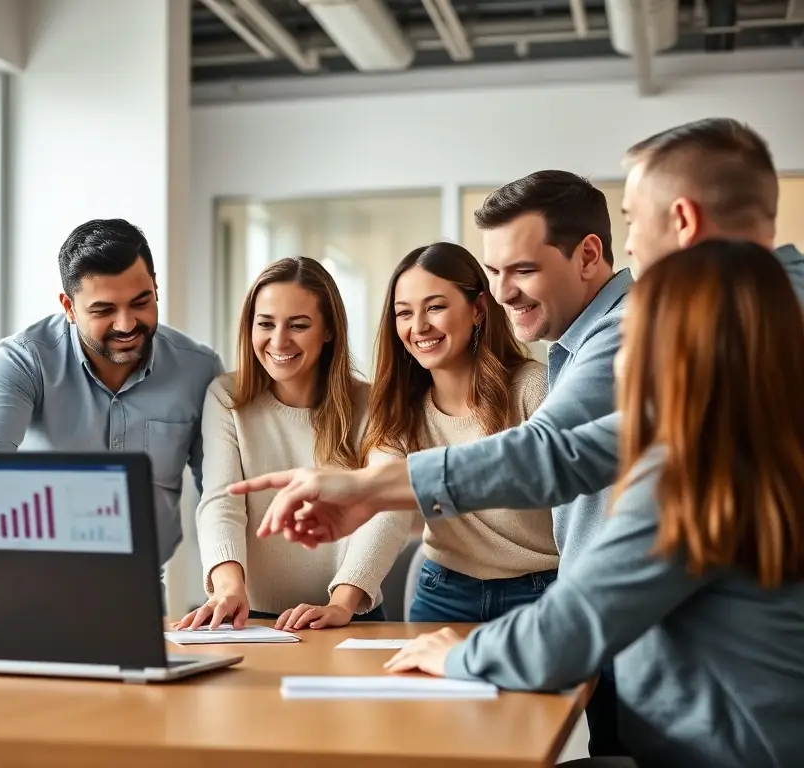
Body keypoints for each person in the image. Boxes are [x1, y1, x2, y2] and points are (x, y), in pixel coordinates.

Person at [231, 120, 802, 757]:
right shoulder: (753, 327)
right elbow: (598, 449)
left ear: (684, 220)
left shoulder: (712, 349)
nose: (631, 251)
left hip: (735, 727)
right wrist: (378, 489)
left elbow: (564, 472)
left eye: (633, 223)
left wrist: (380, 496)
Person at [384, 240, 804, 768]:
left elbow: (567, 628)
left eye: (640, 335)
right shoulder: (743, 463)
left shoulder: (685, 484)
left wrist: (461, 655)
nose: (615, 358)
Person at [0, 218, 223, 567]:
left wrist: (226, 579)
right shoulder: (23, 361)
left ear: (156, 288)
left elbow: (222, 493)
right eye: (104, 310)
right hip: (32, 575)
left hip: (141, 582)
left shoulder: (199, 368)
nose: (126, 324)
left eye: (140, 302)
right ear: (69, 307)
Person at [175, 257, 410, 632]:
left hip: (346, 617)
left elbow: (389, 507)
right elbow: (221, 500)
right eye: (265, 324)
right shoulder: (227, 396)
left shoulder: (375, 403)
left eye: (298, 325)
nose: (279, 340)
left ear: (329, 330)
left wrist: (340, 603)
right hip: (250, 620)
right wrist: (227, 587)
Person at [360, 242, 556, 623]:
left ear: (478, 310)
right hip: (444, 592)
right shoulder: (400, 407)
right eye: (404, 313)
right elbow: (383, 506)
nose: (419, 327)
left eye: (435, 307)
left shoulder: (533, 387)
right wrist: (346, 600)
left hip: (542, 593)